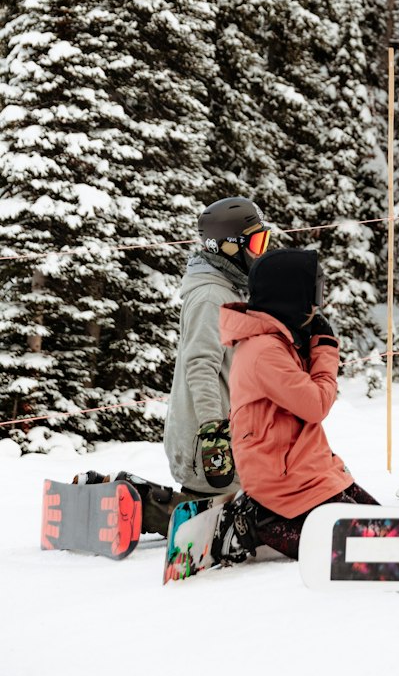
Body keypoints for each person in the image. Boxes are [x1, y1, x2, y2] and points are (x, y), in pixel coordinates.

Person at [75, 196, 272, 535]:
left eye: (264, 240)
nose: (261, 251)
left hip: (230, 435)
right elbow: (200, 365)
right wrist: (214, 433)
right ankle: (124, 497)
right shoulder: (212, 296)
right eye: (256, 242)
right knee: (222, 525)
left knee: (245, 512)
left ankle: (133, 492)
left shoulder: (230, 289)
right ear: (226, 247)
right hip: (209, 440)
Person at [213, 245, 378, 562]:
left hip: (311, 471)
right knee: (358, 550)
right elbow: (316, 405)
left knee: (383, 530)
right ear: (291, 295)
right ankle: (258, 521)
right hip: (284, 485)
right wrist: (325, 351)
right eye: (313, 292)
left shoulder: (282, 341)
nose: (317, 305)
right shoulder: (265, 351)